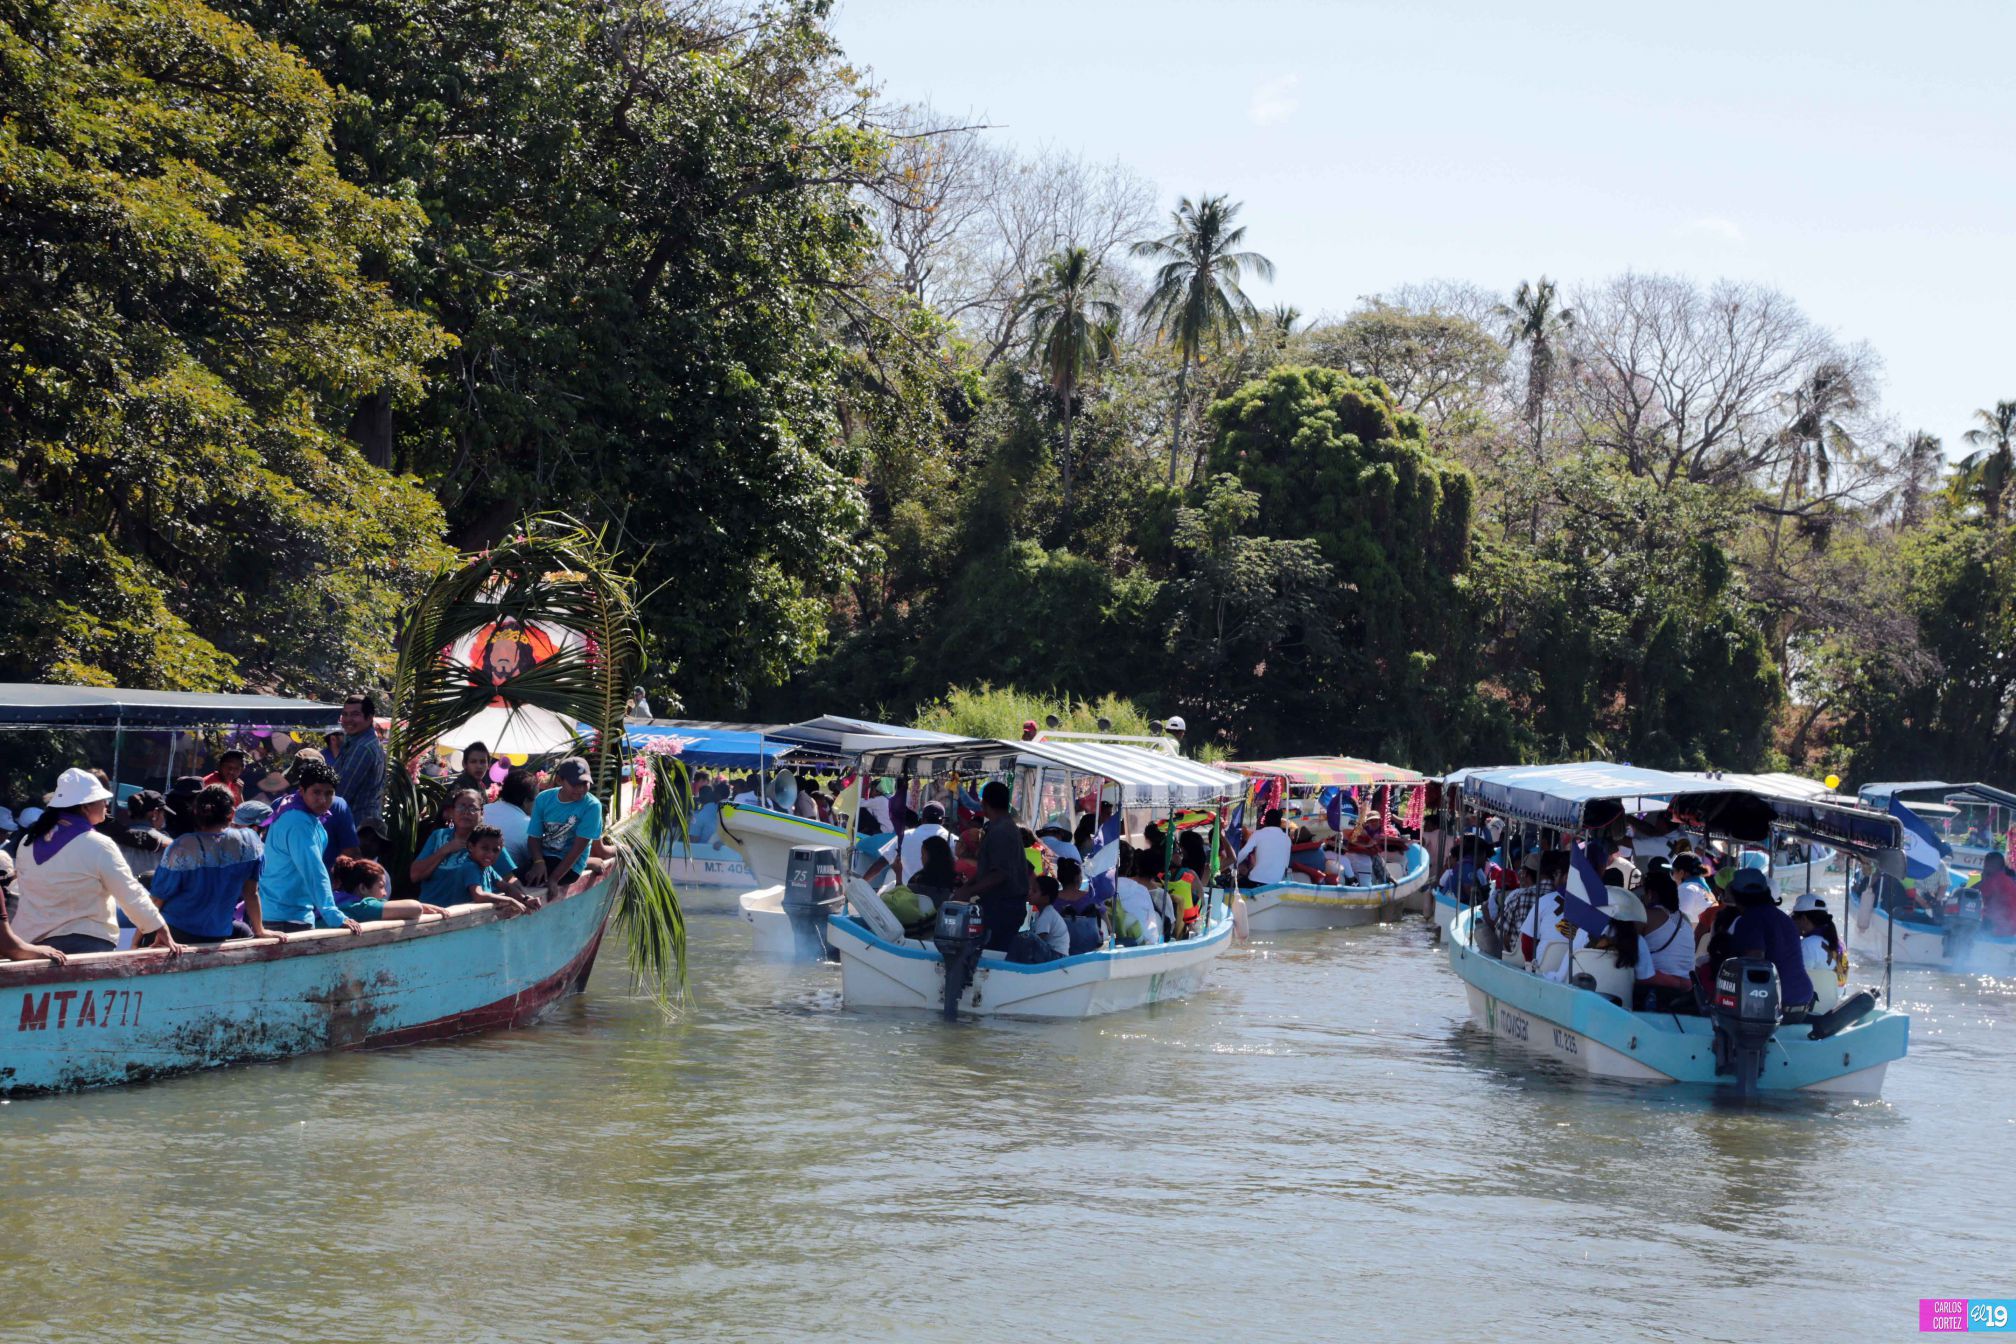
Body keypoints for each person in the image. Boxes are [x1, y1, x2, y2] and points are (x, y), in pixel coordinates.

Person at [12, 768, 180, 956]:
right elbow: (129, 892)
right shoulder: (98, 845)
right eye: (103, 800)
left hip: (30, 946)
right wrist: (159, 927)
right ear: (85, 807)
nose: (106, 805)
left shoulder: (28, 842)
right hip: (84, 945)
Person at [151, 785, 272, 943]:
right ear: (231, 814)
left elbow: (157, 900)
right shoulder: (250, 843)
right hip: (218, 935)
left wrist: (136, 939)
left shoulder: (182, 847)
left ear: (196, 812)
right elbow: (251, 893)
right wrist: (260, 930)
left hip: (174, 935)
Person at [258, 760, 361, 935]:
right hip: (286, 919)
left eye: (329, 793)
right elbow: (313, 869)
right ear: (302, 791)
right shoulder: (299, 822)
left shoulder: (297, 812)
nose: (322, 799)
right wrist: (333, 915)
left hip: (281, 914)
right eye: (316, 792)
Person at [1723, 868, 1815, 1016]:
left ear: (1736, 895)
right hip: (1802, 997)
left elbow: (1754, 962)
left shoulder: (1749, 920)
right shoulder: (1784, 918)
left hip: (1777, 1000)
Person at [959, 781, 1032, 952]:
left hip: (1003, 908)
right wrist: (968, 886)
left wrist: (969, 891)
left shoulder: (1002, 831)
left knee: (994, 955)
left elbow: (1000, 874)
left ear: (985, 803)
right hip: (1001, 905)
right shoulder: (1002, 826)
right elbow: (990, 868)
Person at [521, 757, 606, 896]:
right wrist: (538, 861)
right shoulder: (543, 798)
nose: (580, 789)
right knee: (515, 878)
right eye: (575, 784)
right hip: (545, 857)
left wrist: (554, 879)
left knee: (530, 883)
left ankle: (586, 863)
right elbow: (534, 837)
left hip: (570, 866)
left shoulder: (592, 806)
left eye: (585, 783)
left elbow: (578, 849)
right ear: (560, 780)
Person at [335, 691, 387, 858]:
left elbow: (341, 794)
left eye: (355, 714)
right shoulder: (359, 741)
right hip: (362, 830)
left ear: (370, 717)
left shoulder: (362, 748)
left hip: (357, 832)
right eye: (345, 714)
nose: (348, 719)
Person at [1638, 869, 1697, 1009]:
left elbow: (1626, 943)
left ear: (1651, 894)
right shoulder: (1685, 919)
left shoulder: (1647, 916)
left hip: (1657, 987)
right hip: (1687, 988)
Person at [333, 856, 455, 924]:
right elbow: (415, 908)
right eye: (381, 886)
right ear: (363, 888)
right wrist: (422, 906)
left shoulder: (336, 902)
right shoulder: (360, 906)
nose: (385, 893)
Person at [1792, 892, 1848, 1010]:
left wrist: (1792, 937)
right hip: (1833, 1006)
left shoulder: (1808, 944)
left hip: (1812, 1010)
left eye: (1794, 918)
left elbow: (1796, 982)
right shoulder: (1840, 943)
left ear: (1803, 919)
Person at [107, 790, 173, 886]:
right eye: (164, 814)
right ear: (155, 813)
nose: (164, 818)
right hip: (150, 898)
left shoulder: (113, 838)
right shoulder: (168, 843)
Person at [1491, 848, 1550, 954]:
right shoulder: (1561, 897)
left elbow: (1500, 931)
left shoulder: (1518, 896)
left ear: (1525, 874)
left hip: (1520, 956)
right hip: (1548, 957)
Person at [1008, 874, 1069, 963]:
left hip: (1057, 957)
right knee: (1022, 936)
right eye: (1030, 889)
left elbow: (1036, 940)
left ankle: (1012, 965)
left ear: (1045, 899)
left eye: (1034, 891)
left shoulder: (1047, 914)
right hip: (1051, 954)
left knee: (1027, 937)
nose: (1029, 893)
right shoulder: (1038, 913)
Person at [1111, 846, 1165, 946]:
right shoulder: (1141, 890)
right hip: (1141, 944)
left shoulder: (1098, 891)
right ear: (1130, 865)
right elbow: (1152, 931)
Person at [484, 768, 538, 867]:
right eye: (536, 798)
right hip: (506, 879)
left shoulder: (481, 810)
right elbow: (536, 861)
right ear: (526, 801)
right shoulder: (529, 826)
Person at [1053, 859, 1107, 954]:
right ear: (1077, 878)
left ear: (1059, 878)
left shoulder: (1051, 899)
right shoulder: (1092, 897)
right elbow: (1109, 928)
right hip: (1091, 953)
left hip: (1061, 953)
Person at [1237, 808, 1292, 885]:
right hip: (1275, 882)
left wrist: (1231, 866)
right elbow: (1286, 864)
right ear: (1279, 823)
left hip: (1256, 880)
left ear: (1265, 822)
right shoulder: (1287, 839)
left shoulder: (1258, 834)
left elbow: (1244, 852)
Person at [899, 803, 951, 883]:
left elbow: (884, 860)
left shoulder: (905, 836)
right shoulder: (953, 839)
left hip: (906, 890)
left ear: (922, 819)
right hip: (942, 890)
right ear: (942, 821)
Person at [1973, 851, 2016, 935]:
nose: (1984, 867)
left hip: (1998, 928)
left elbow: (1972, 893)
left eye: (1985, 864)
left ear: (1990, 865)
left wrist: (1983, 880)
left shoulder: (1996, 880)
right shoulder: (2008, 880)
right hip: (2010, 928)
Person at [911, 833, 960, 904]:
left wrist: (898, 877)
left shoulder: (918, 880)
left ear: (932, 856)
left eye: (923, 854)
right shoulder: (957, 879)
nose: (921, 858)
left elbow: (907, 903)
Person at [1671, 853, 1714, 921]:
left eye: (1672, 871)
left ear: (1681, 872)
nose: (1672, 876)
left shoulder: (1686, 888)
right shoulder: (1702, 885)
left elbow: (1681, 920)